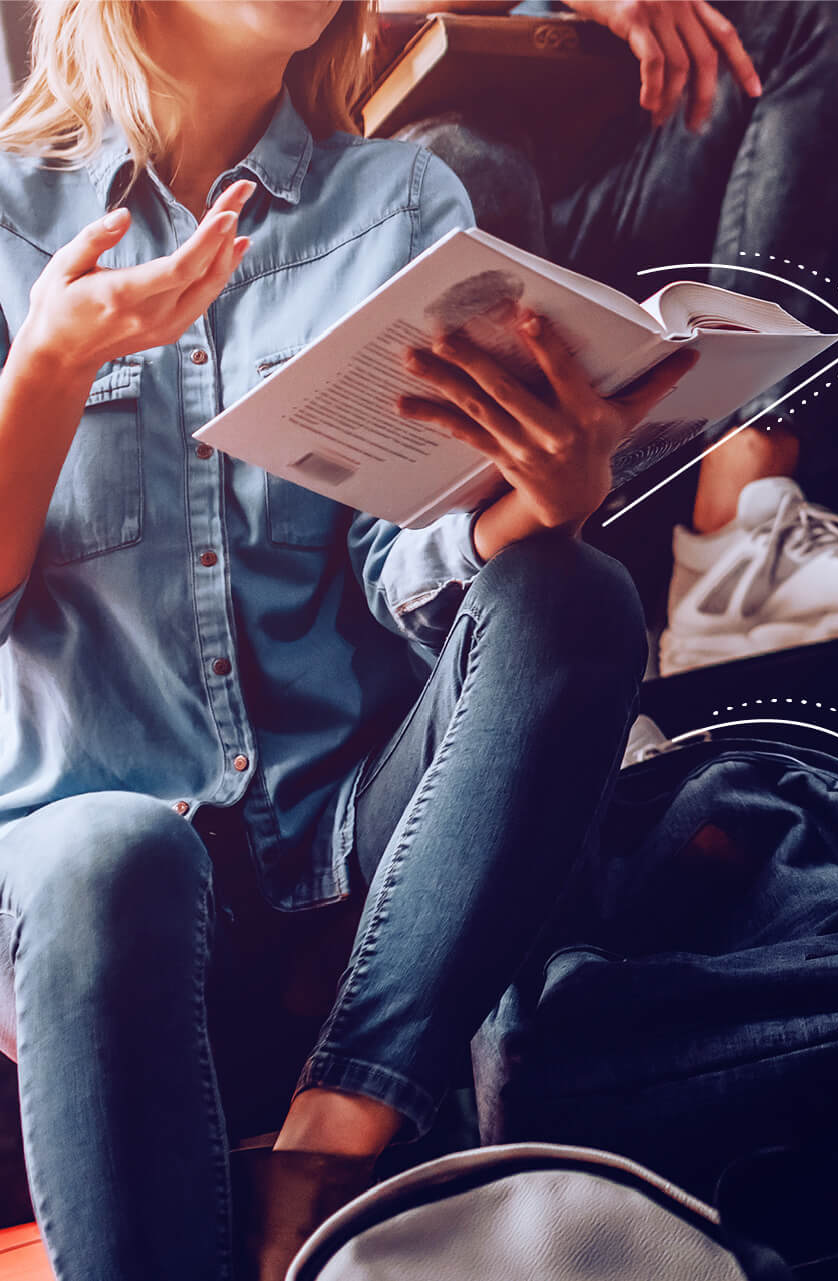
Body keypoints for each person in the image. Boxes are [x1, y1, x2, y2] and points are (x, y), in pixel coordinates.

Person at [0, 2, 692, 1277]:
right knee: (112, 850)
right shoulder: (4, 215)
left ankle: (334, 1142)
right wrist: (49, 356)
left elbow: (402, 572)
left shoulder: (397, 203)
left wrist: (538, 505)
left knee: (571, 593)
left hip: (341, 853)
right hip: (81, 870)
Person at [392, 0, 838, 674]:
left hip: (649, 171)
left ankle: (739, 539)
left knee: (809, 19)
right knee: (461, 154)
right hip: (469, 182)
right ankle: (528, 635)